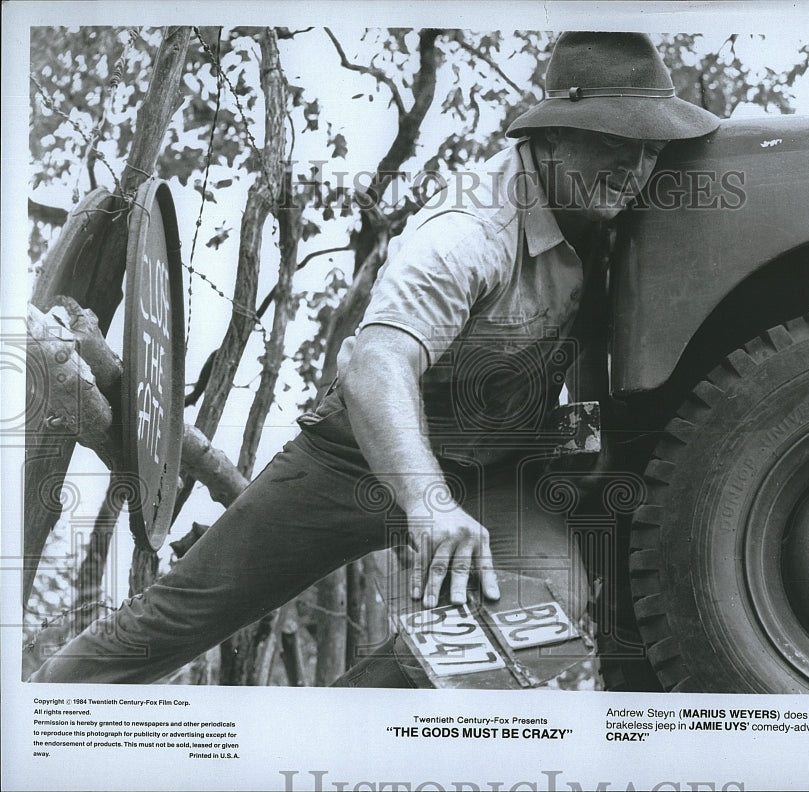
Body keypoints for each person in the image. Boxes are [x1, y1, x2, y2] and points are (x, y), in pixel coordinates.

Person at [29, 31, 719, 686]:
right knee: (167, 623)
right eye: (615, 143)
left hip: (495, 473)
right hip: (355, 458)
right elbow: (376, 365)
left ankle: (331, 730)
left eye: (652, 148)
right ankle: (40, 717)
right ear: (553, 136)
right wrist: (426, 502)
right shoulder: (468, 230)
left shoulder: (621, 211)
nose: (637, 168)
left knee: (543, 622)